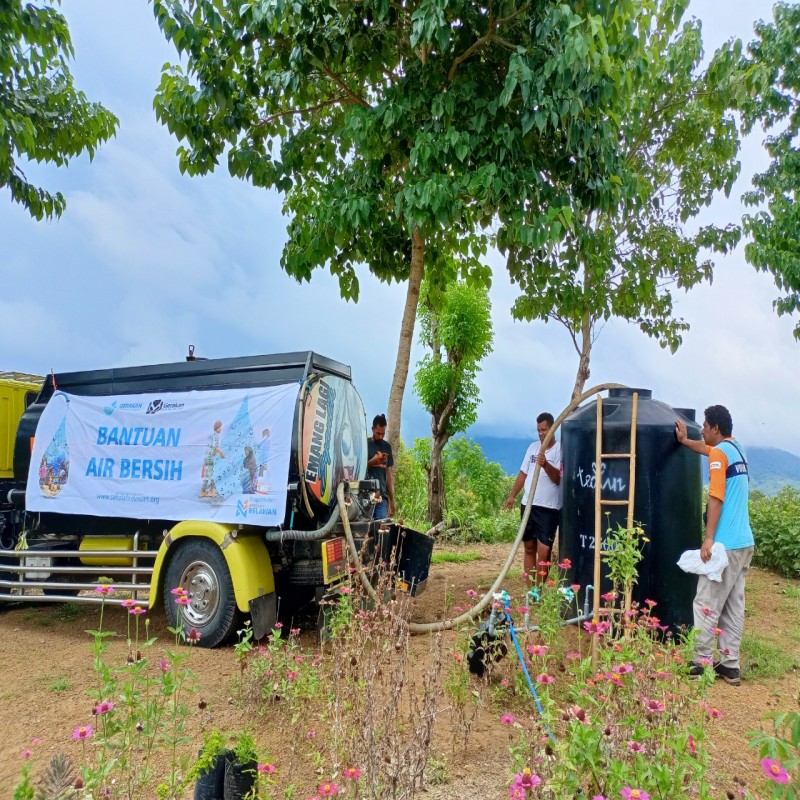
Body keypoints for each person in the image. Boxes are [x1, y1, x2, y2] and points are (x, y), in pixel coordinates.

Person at [676, 405, 753, 687]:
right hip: (745, 543)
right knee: (734, 605)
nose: (702, 430)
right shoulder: (737, 449)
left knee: (706, 601)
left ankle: (700, 662)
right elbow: (709, 450)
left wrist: (708, 538)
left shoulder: (720, 454)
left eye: (705, 427)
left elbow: (716, 496)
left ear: (715, 428)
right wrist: (685, 441)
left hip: (726, 545)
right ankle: (730, 666)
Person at [503, 412, 562, 583]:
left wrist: (545, 464)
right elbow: (523, 473)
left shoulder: (560, 450)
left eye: (544, 430)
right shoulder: (532, 448)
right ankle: (530, 591)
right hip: (528, 504)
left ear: (553, 428)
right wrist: (512, 496)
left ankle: (539, 590)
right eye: (539, 430)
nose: (541, 433)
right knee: (529, 547)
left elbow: (558, 479)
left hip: (549, 508)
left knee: (544, 550)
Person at [367, 413, 395, 520]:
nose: (380, 436)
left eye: (383, 434)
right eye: (378, 433)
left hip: (382, 497)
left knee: (381, 530)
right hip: (366, 495)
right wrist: (372, 462)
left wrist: (391, 499)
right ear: (373, 428)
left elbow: (388, 474)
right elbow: (359, 470)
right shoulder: (365, 444)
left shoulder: (387, 447)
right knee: (366, 529)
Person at [200, 420, 226, 498]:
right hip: (209, 458)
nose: (221, 429)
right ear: (217, 428)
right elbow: (215, 447)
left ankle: (205, 491)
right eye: (220, 428)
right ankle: (206, 491)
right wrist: (221, 453)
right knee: (210, 475)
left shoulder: (211, 435)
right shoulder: (215, 435)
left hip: (208, 457)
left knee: (208, 474)